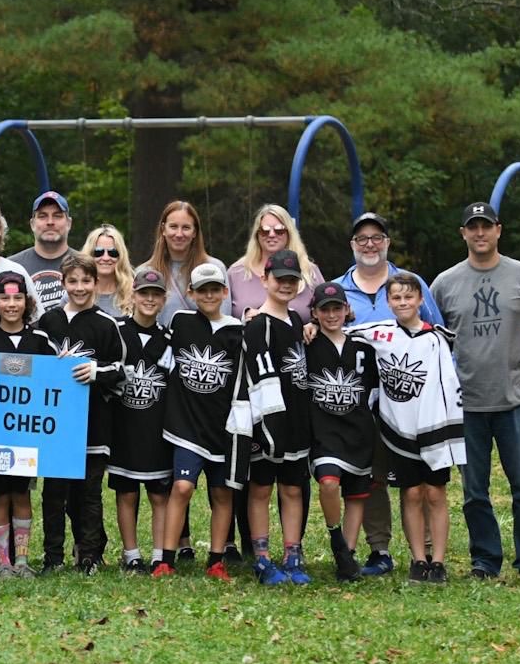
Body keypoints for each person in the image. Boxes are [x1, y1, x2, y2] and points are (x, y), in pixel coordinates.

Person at [431, 201, 520, 582]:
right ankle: (485, 560)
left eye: (486, 226)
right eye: (473, 227)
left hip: (513, 398)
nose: (480, 233)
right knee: (474, 491)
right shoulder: (445, 283)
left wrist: (513, 355)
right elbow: (435, 335)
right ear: (463, 233)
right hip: (467, 403)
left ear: (499, 229)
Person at [334, 211, 442, 576]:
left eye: (376, 238)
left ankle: (426, 551)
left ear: (387, 243)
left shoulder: (409, 284)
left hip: (411, 398)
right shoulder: (338, 290)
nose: (369, 244)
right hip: (363, 401)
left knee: (421, 476)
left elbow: (437, 333)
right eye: (362, 238)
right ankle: (379, 548)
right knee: (372, 476)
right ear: (352, 245)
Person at [365, 273, 466, 582]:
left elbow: (449, 385)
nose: (403, 302)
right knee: (410, 494)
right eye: (396, 297)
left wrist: (450, 432)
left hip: (433, 427)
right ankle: (418, 560)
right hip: (398, 431)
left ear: (421, 300)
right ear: (388, 302)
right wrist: (313, 326)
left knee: (435, 493)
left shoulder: (436, 338)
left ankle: (438, 561)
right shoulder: (378, 334)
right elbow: (340, 332)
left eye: (409, 296)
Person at [154, 260, 244, 579]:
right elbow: (161, 361)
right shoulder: (181, 321)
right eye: (201, 290)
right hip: (186, 426)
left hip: (222, 428)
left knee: (222, 494)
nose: (208, 295)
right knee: (181, 487)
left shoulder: (237, 330)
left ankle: (216, 559)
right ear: (191, 293)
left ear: (223, 291)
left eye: (214, 289)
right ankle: (165, 559)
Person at [35, 252, 123, 573]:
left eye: (86, 280)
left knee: (89, 493)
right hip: (55, 425)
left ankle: (89, 555)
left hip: (93, 424)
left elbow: (121, 368)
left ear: (96, 283)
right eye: (72, 280)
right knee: (54, 493)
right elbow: (34, 365)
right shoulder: (49, 321)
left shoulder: (106, 323)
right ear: (62, 282)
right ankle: (53, 557)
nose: (79, 287)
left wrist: (97, 371)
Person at [235, 250, 313, 585]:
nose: (285, 285)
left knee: (293, 487)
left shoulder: (295, 320)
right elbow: (259, 380)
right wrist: (267, 428)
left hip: (297, 419)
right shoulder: (259, 326)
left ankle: (292, 553)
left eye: (291, 280)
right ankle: (262, 557)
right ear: (265, 280)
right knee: (261, 488)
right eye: (279, 279)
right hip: (267, 422)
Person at [0, 273, 55, 577]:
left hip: (27, 434)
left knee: (22, 494)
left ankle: (22, 560)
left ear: (27, 301)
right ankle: (3, 561)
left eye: (17, 298)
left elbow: (53, 384)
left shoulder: (40, 340)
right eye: (5, 298)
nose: (11, 304)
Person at [303, 282, 380, 582]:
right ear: (315, 313)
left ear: (347, 310)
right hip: (324, 433)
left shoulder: (363, 345)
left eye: (337, 308)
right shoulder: (307, 343)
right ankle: (337, 541)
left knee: (357, 495)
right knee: (329, 482)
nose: (332, 314)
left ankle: (347, 556)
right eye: (325, 309)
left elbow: (372, 391)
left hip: (359, 431)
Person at [109, 267, 174, 572]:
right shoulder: (116, 331)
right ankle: (131, 553)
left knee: (159, 494)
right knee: (127, 491)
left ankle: (160, 552)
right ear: (132, 295)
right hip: (123, 427)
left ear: (164, 299)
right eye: (143, 293)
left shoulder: (169, 338)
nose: (149, 299)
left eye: (155, 294)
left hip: (156, 428)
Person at [229, 204, 324, 320]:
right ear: (257, 235)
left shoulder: (310, 271)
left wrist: (314, 325)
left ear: (289, 233)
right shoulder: (236, 272)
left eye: (279, 230)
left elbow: (327, 312)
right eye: (265, 231)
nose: (272, 235)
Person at [144, 201, 214, 324]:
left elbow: (222, 318)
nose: (179, 234)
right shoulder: (146, 272)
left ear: (195, 232)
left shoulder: (214, 269)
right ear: (163, 230)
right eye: (173, 227)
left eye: (186, 228)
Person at [7, 189, 73, 314]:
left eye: (57, 216)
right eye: (42, 216)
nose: (50, 222)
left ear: (69, 223)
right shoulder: (13, 267)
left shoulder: (86, 265)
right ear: (32, 224)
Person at [79, 225, 134, 317]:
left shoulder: (135, 293)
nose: (105, 258)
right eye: (98, 252)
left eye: (112, 252)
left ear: (121, 256)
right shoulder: (75, 291)